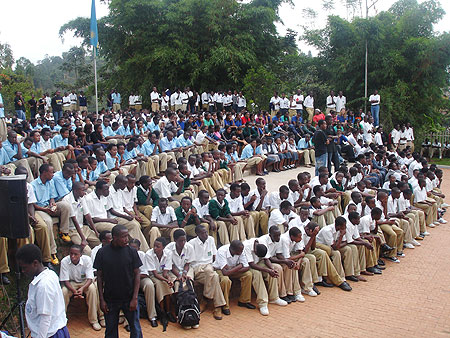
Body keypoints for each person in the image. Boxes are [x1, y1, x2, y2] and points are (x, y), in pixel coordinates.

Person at [94, 224, 143, 337]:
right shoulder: (102, 253)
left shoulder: (131, 252)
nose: (126, 239)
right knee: (110, 330)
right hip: (110, 299)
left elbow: (137, 274)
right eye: (123, 236)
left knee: (135, 328)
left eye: (127, 236)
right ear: (114, 237)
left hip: (129, 297)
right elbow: (99, 277)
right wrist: (101, 299)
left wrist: (135, 298)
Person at [16, 244, 70, 338]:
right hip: (52, 331)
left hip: (49, 334)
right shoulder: (50, 274)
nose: (23, 271)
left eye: (24, 267)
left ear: (35, 263)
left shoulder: (43, 286)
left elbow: (45, 318)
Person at [188, 225, 227, 320]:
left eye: (206, 232)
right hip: (197, 268)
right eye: (203, 233)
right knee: (214, 276)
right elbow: (188, 262)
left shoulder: (211, 239)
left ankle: (208, 301)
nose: (206, 234)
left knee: (212, 274)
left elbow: (214, 255)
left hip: (209, 266)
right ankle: (217, 306)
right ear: (197, 234)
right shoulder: (191, 243)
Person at [60, 244, 101, 331]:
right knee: (63, 291)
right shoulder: (64, 261)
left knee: (92, 289)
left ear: (81, 254)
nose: (72, 256)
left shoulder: (87, 260)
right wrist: (74, 291)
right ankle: (61, 320)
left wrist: (82, 289)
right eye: (71, 253)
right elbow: (65, 281)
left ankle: (94, 320)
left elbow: (90, 278)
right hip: (71, 283)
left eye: (75, 254)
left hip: (85, 282)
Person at [213, 240, 254, 315]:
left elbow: (247, 267)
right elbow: (225, 272)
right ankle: (225, 305)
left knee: (248, 275)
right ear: (233, 250)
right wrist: (239, 266)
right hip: (219, 270)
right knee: (225, 280)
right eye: (240, 251)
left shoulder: (240, 250)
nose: (242, 252)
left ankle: (244, 301)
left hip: (233, 269)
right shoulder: (222, 251)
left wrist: (234, 270)